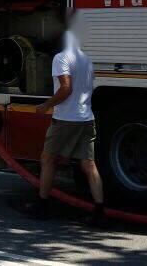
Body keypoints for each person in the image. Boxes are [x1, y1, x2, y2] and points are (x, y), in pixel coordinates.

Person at [33, 29, 105, 224]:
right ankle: (99, 211)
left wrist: (47, 104)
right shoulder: (86, 60)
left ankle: (42, 205)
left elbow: (66, 87)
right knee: (89, 165)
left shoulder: (60, 58)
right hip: (86, 118)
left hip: (66, 119)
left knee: (48, 159)